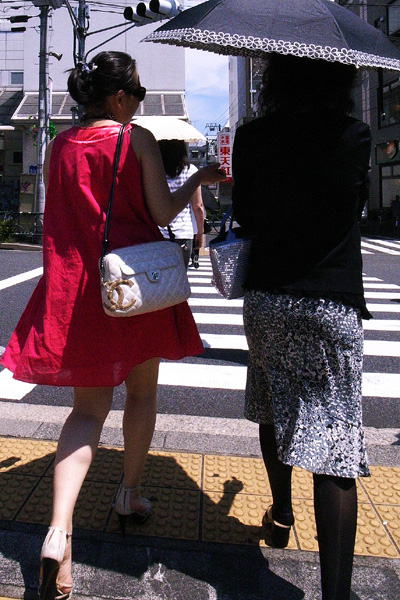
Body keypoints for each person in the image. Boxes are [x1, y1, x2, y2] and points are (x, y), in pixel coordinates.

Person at [0, 51, 225, 600]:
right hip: (134, 290)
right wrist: (199, 175)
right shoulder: (135, 139)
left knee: (85, 413)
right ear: (120, 98)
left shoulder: (60, 145)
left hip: (80, 292)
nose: (141, 101)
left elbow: (62, 222)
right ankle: (129, 494)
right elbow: (158, 210)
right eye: (139, 93)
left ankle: (57, 534)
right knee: (142, 393)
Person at [232, 53, 371, 600]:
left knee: (273, 402)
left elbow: (244, 212)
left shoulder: (253, 137)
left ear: (276, 80)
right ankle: (335, 593)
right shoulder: (356, 136)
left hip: (268, 295)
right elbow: (351, 207)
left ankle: (283, 511)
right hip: (330, 300)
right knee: (334, 439)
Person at [157, 139, 204, 268]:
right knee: (179, 279)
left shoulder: (155, 171)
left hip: (157, 232)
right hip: (183, 233)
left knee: (157, 281)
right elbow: (197, 206)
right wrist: (200, 232)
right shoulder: (191, 171)